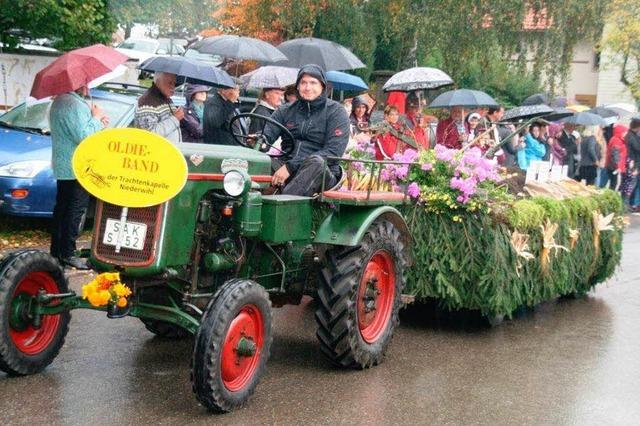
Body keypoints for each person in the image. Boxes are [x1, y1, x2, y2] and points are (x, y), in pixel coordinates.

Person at [260, 64, 349, 196]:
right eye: (303, 83)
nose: (308, 88)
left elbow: (333, 151)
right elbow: (267, 136)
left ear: (322, 86)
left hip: (322, 172)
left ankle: (284, 209)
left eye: (313, 83)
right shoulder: (285, 110)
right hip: (285, 163)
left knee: (317, 162)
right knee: (257, 163)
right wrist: (257, 141)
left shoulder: (336, 111)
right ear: (297, 86)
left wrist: (291, 166)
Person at [49, 85, 108, 269]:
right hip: (77, 167)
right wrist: (96, 118)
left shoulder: (59, 100)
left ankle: (57, 252)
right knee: (75, 211)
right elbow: (84, 135)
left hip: (64, 166)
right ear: (77, 82)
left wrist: (98, 122)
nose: (88, 85)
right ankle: (68, 253)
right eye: (86, 81)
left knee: (63, 210)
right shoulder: (74, 104)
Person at [134, 72, 184, 143]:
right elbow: (149, 135)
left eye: (174, 83)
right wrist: (175, 118)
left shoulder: (165, 98)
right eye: (170, 83)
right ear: (158, 82)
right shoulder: (147, 102)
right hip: (156, 153)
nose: (173, 87)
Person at [202, 79, 246, 146]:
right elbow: (215, 122)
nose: (238, 92)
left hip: (234, 148)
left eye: (238, 89)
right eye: (234, 89)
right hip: (220, 149)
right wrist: (230, 102)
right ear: (223, 90)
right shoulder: (213, 103)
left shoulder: (230, 104)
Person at [623, 117, 640, 211]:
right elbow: (638, 148)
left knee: (631, 184)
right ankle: (625, 204)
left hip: (633, 162)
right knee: (630, 184)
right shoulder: (630, 136)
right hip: (632, 163)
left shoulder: (632, 135)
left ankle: (627, 204)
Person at [605, 124, 628, 191]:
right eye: (624, 132)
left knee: (613, 182)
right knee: (613, 183)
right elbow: (615, 154)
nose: (625, 134)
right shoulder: (617, 140)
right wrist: (618, 166)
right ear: (620, 132)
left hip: (613, 165)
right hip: (613, 166)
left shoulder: (618, 139)